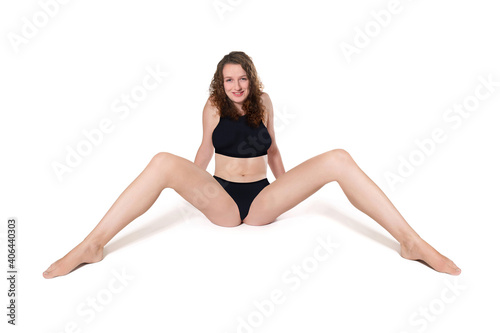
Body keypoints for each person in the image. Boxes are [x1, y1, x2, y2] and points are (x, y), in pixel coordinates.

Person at [43, 51, 461, 279]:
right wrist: (190, 185)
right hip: (221, 199)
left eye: (242, 78)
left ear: (251, 79)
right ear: (220, 83)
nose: (236, 86)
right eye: (229, 80)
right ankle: (92, 244)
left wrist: (287, 187)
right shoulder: (211, 107)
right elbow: (204, 152)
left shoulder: (265, 104)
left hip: (261, 200)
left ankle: (411, 241)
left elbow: (275, 152)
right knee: (161, 162)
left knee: (339, 158)